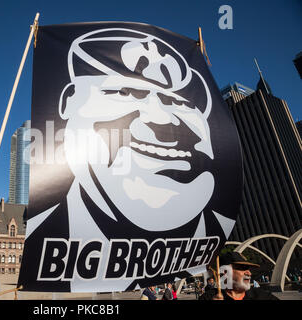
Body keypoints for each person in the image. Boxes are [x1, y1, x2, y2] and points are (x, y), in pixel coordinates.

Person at [21, 26, 241, 293]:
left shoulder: (221, 231)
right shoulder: (43, 236)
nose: (162, 119)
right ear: (69, 101)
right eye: (125, 92)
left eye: (180, 102)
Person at [199, 252, 279, 300]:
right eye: (242, 268)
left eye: (248, 268)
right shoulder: (207, 297)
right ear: (225, 272)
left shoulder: (262, 296)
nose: (249, 273)